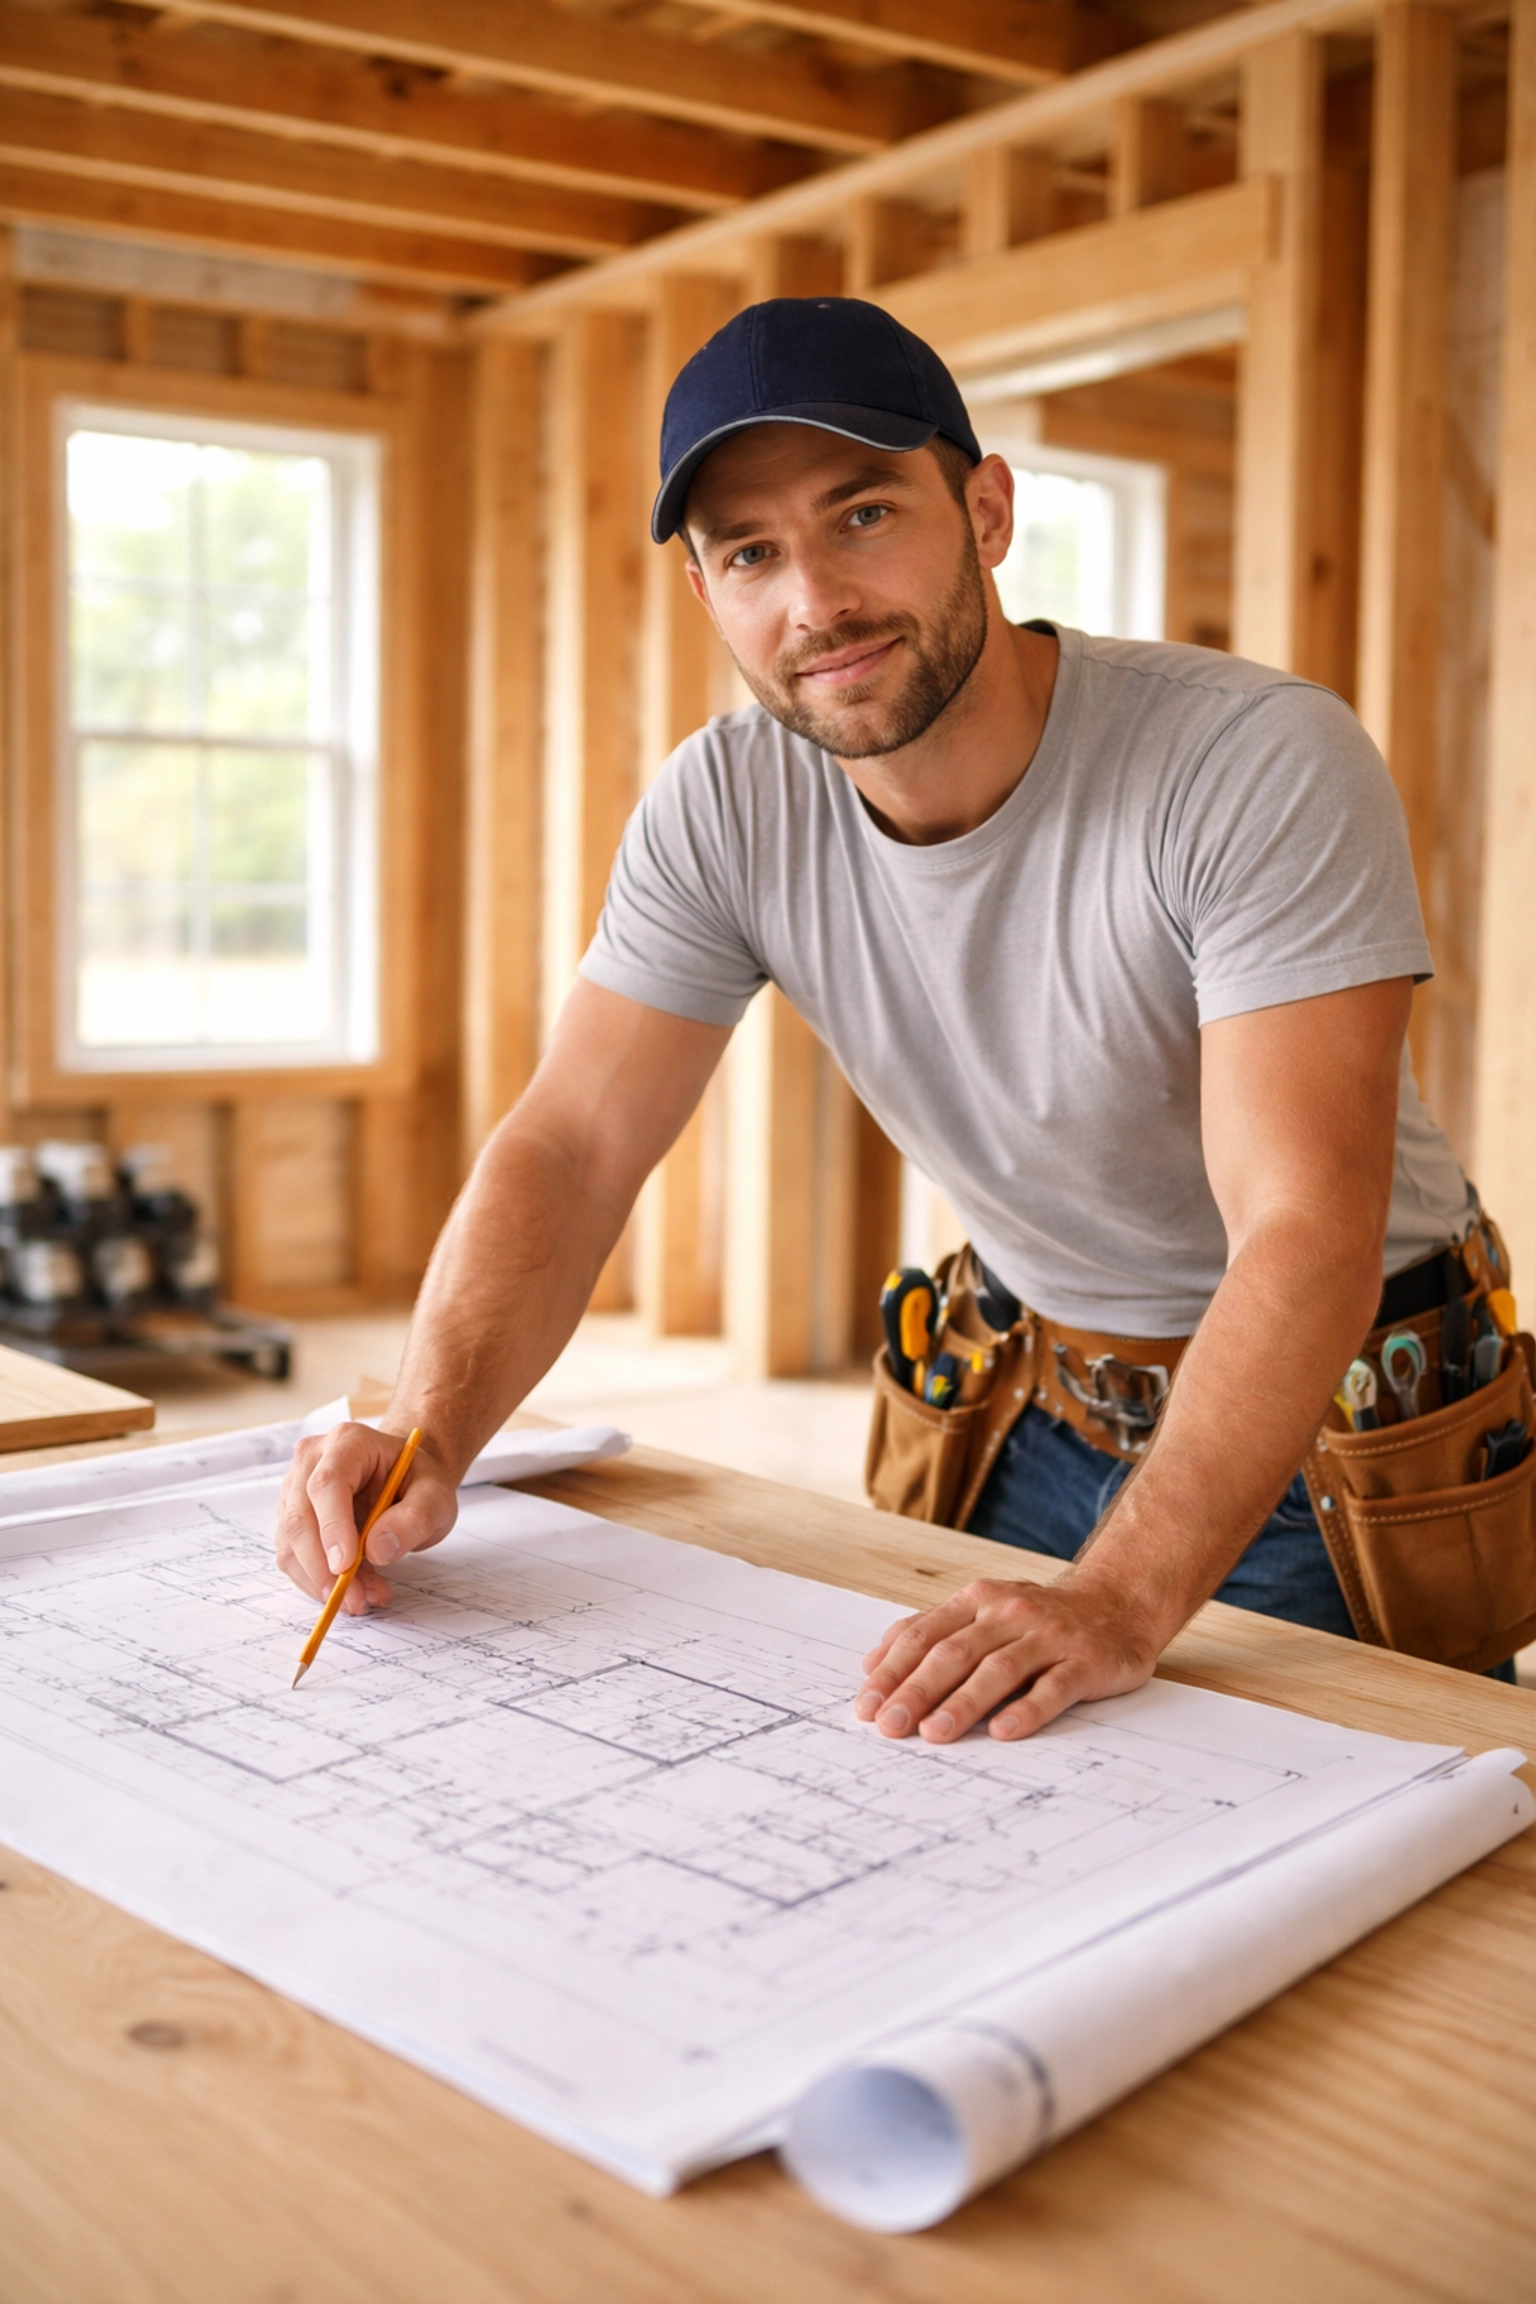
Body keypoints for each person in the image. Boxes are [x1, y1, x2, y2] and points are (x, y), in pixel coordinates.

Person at [276, 295, 1495, 1732]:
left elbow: (1304, 1225)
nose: (816, 602)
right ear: (707, 593)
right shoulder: (725, 803)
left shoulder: (1251, 760)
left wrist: (1120, 1596)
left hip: (1340, 1428)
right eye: (751, 552)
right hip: (1022, 1397)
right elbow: (574, 1145)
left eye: (862, 515)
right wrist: (426, 1431)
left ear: (986, 511)